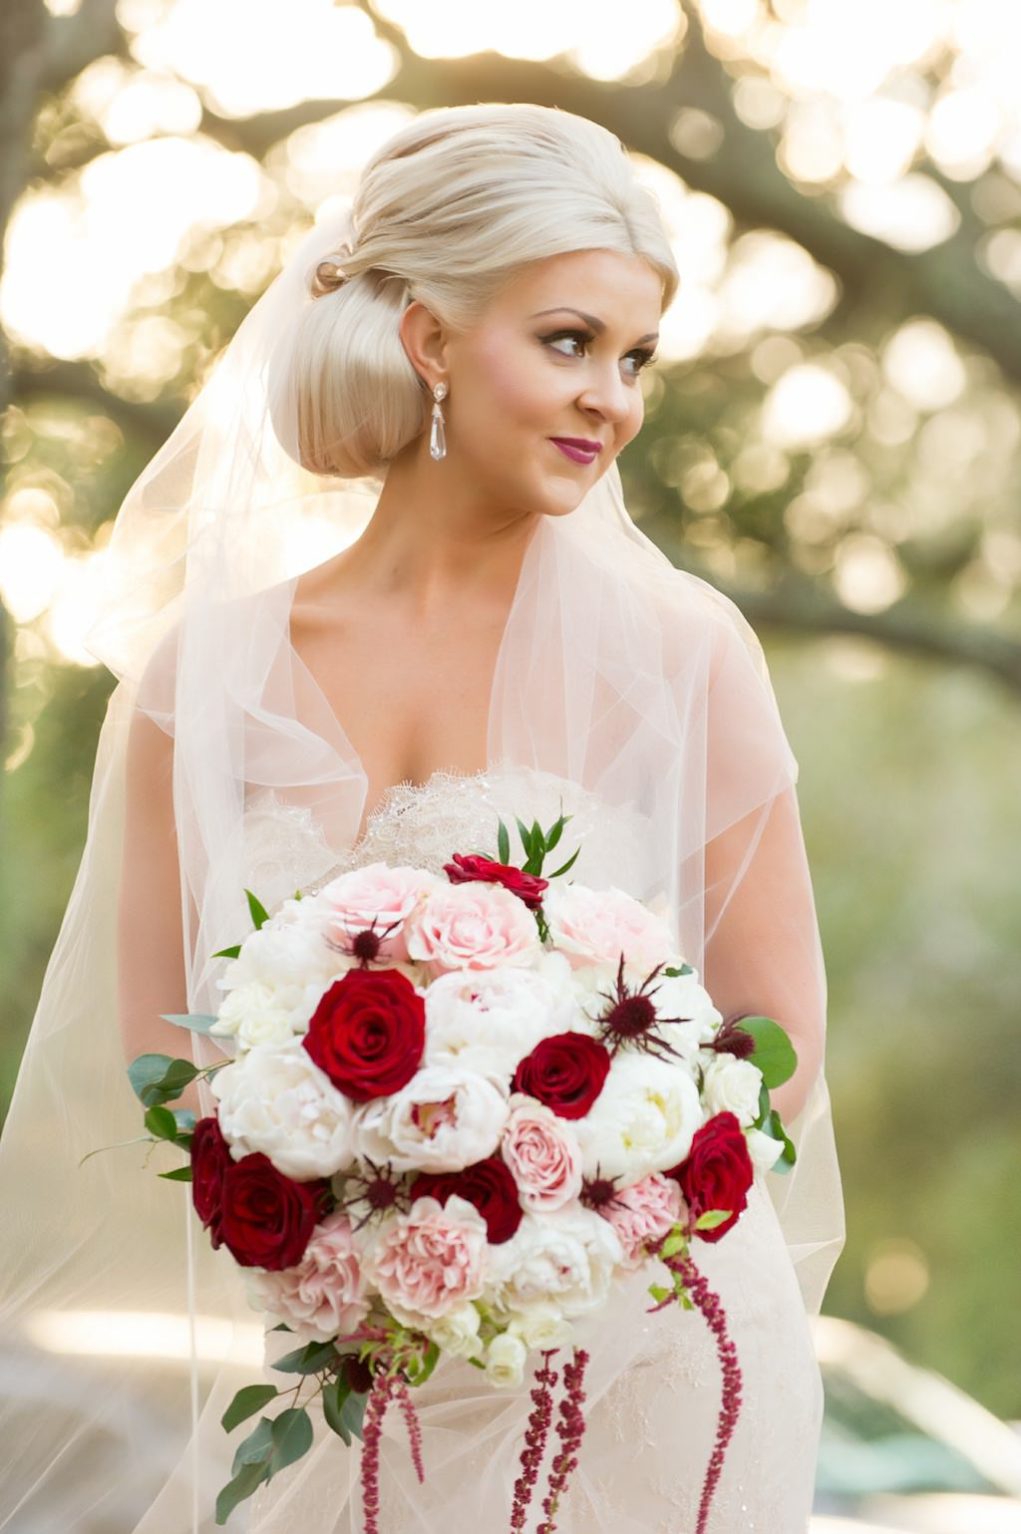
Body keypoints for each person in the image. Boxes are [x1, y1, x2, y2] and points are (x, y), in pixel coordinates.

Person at [0, 103, 844, 1531]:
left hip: (645, 1360)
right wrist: (373, 1236)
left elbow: (777, 1050)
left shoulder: (686, 654)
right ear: (430, 337)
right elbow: (165, 1066)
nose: (612, 400)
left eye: (634, 359)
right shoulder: (199, 680)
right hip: (358, 1364)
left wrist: (571, 1215)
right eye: (568, 342)